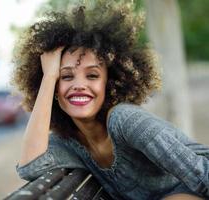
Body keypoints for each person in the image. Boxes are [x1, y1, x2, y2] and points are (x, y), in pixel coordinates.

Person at [12, 1, 209, 199]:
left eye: (92, 76)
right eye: (66, 76)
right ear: (55, 89)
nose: (79, 85)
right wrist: (49, 76)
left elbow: (202, 174)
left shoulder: (126, 121)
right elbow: (30, 167)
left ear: (109, 84)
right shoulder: (68, 142)